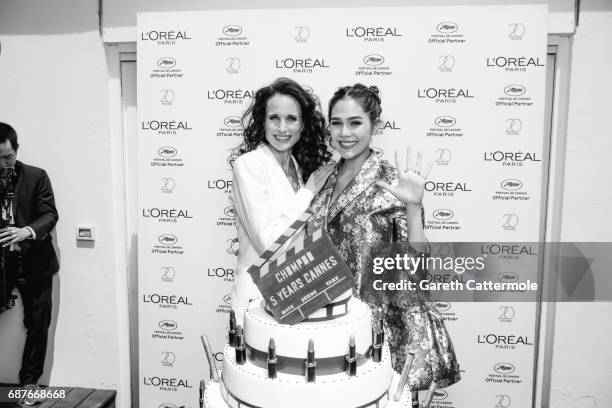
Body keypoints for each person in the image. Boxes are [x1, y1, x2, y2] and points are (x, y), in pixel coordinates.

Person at [306, 85, 460, 400]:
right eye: (336, 123)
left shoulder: (393, 181)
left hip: (379, 336)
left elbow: (417, 266)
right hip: (324, 328)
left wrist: (414, 208)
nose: (344, 132)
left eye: (355, 122)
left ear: (374, 126)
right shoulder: (321, 181)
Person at [230, 78, 333, 323]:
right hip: (257, 301)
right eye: (274, 118)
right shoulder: (249, 165)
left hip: (295, 296)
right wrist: (308, 193)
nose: (282, 128)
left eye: (291, 119)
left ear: (303, 124)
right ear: (263, 122)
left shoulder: (298, 169)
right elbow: (268, 244)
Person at [0, 122, 59, 405]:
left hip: (33, 261)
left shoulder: (37, 176)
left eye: (7, 157)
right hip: (1, 263)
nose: (3, 163)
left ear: (16, 149)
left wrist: (27, 231)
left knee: (37, 323)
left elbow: (49, 215)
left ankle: (29, 384)